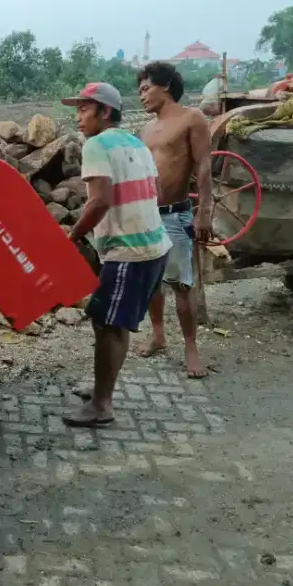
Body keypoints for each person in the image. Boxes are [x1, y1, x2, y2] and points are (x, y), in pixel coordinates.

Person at [60, 83, 172, 427]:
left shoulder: (96, 144)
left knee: (108, 325)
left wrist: (73, 235)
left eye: (84, 109)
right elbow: (151, 191)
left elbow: (100, 200)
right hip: (155, 245)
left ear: (104, 112)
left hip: (130, 251)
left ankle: (102, 406)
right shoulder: (135, 142)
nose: (78, 117)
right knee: (112, 322)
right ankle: (100, 391)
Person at [137, 61, 213, 378]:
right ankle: (158, 335)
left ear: (165, 86)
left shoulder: (191, 118)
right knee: (153, 283)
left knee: (182, 284)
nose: (141, 96)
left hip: (175, 214)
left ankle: (191, 349)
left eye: (145, 89)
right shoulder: (146, 129)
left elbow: (204, 165)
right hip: (147, 216)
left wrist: (205, 210)